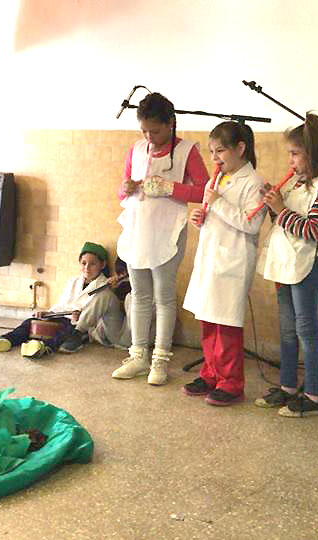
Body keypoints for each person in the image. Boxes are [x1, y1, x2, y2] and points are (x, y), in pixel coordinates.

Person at [111, 93, 209, 385]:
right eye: (144, 131)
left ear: (170, 123)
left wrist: (170, 187)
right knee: (139, 294)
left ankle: (160, 360)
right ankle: (138, 355)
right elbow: (122, 190)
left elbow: (204, 190)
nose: (149, 137)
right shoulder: (137, 149)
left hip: (168, 230)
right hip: (137, 229)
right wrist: (126, 187)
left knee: (163, 296)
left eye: (154, 131)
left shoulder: (187, 151)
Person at [254, 113, 318, 417]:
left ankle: (314, 395)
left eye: (295, 154)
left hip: (305, 267)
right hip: (285, 265)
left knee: (306, 332)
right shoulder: (294, 185)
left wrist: (281, 209)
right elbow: (282, 222)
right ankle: (288, 387)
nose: (290, 160)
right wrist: (272, 204)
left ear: (311, 154)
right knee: (287, 331)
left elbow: (314, 230)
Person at [181, 121, 265, 406]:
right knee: (208, 320)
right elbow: (214, 215)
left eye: (220, 151)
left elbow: (250, 223)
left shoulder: (254, 183)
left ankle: (231, 382)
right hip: (211, 260)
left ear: (240, 148)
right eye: (212, 152)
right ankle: (210, 374)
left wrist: (217, 203)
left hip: (233, 263)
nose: (214, 158)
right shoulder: (216, 180)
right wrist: (200, 217)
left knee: (226, 326)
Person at [0, 242, 127, 358]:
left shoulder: (104, 286)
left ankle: (43, 348)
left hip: (78, 324)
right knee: (30, 322)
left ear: (102, 265)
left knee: (66, 332)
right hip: (63, 315)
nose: (87, 268)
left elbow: (97, 309)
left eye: (92, 264)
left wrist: (79, 316)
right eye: (84, 263)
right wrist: (48, 313)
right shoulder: (73, 281)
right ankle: (5, 340)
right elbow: (63, 304)